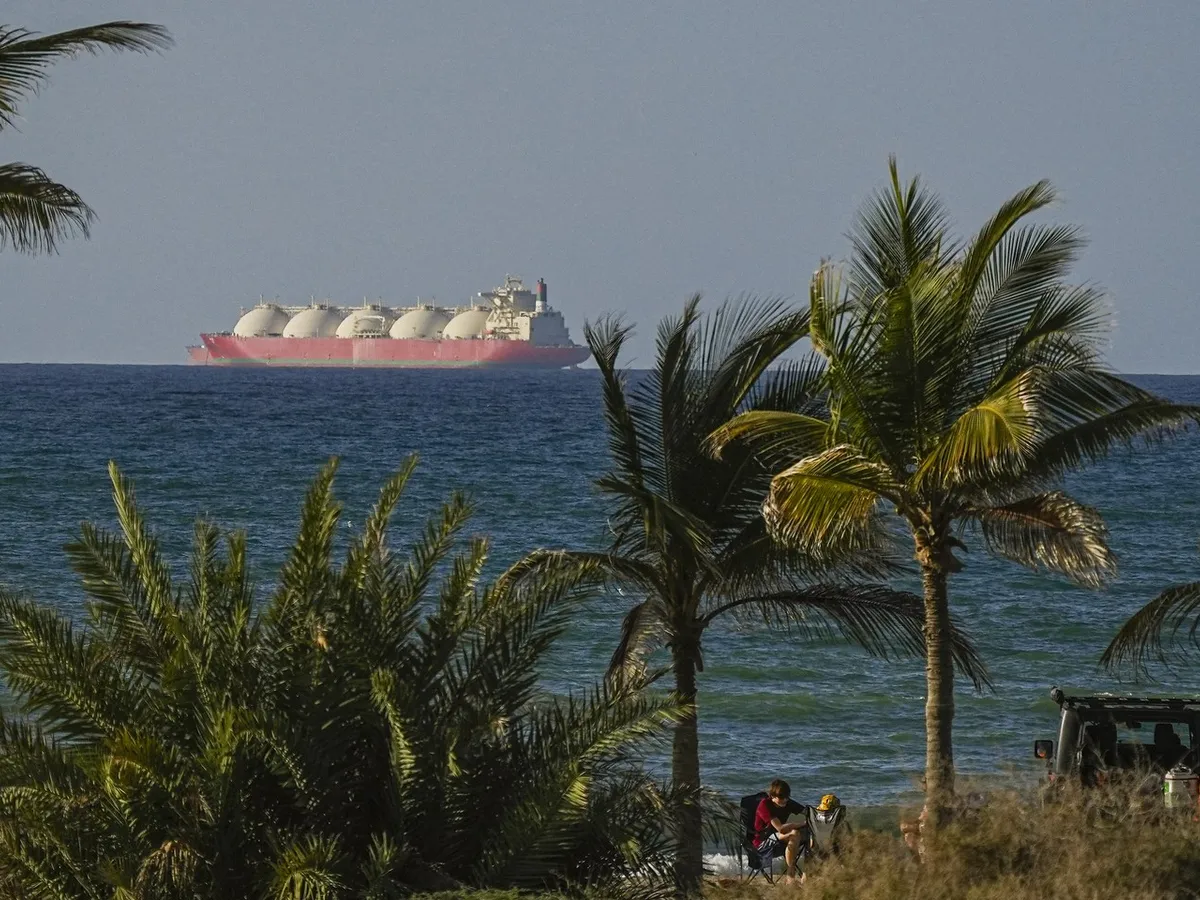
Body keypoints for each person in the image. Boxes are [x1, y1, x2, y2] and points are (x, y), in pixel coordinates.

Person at [752, 778, 807, 883]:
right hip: (764, 842)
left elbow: (807, 811)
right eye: (781, 798)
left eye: (787, 797)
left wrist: (821, 813)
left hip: (780, 841)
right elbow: (780, 828)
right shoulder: (765, 805)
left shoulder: (787, 802)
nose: (784, 800)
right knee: (794, 833)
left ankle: (806, 873)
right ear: (772, 796)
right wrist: (803, 823)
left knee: (808, 835)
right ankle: (790, 874)